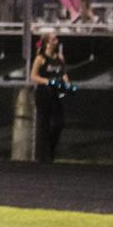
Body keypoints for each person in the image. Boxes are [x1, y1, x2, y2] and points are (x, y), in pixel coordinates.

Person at [30, 31, 69, 162]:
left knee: (59, 123)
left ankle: (50, 149)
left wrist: (67, 84)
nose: (56, 41)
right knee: (43, 125)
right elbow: (33, 76)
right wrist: (47, 81)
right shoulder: (40, 58)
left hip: (56, 94)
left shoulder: (59, 58)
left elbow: (63, 73)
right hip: (44, 94)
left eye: (56, 39)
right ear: (47, 43)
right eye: (53, 40)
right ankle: (43, 156)